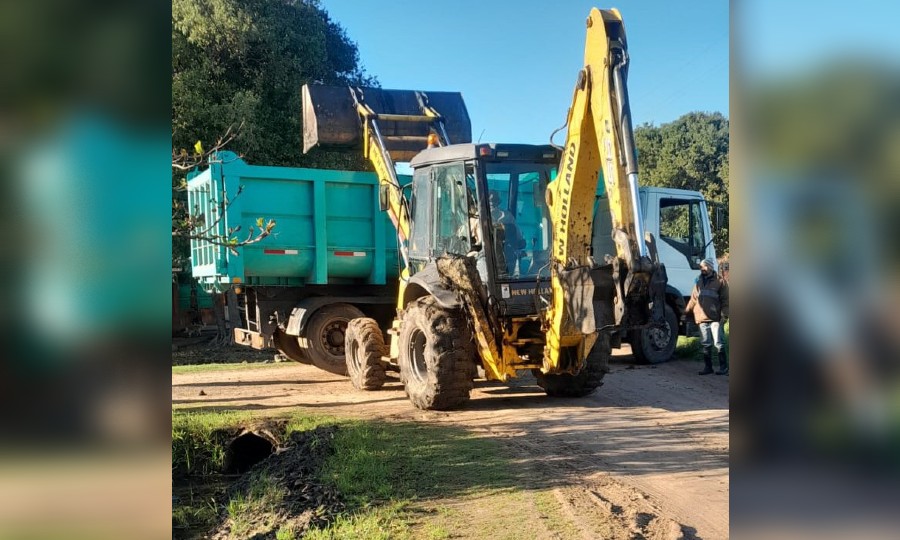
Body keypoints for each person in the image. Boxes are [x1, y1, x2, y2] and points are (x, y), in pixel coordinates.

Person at [684, 258, 729, 375]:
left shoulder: (720, 281)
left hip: (716, 319)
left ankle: (724, 368)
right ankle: (708, 367)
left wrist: (724, 315)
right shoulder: (698, 281)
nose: (701, 269)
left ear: (710, 267)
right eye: (701, 267)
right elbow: (693, 299)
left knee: (719, 343)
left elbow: (726, 301)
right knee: (706, 343)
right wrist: (686, 312)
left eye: (704, 266)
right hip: (701, 318)